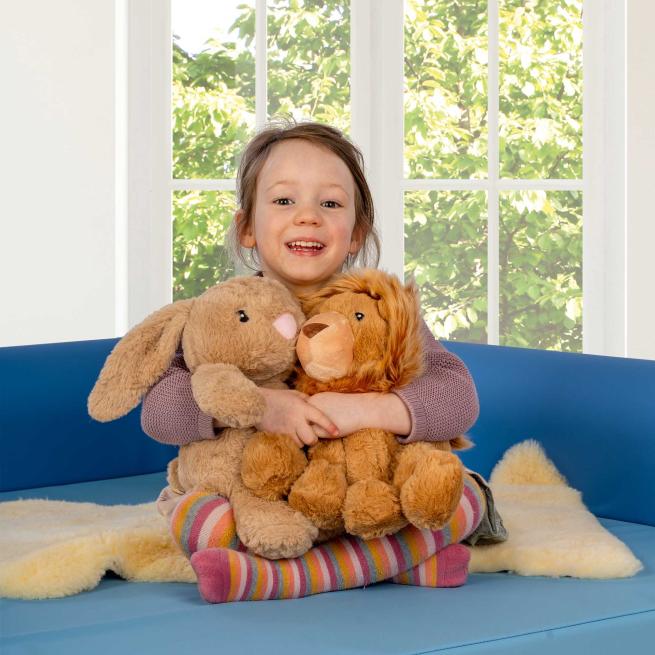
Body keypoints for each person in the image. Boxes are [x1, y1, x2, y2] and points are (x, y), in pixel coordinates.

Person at [145, 120, 506, 601]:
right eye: (283, 200)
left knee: (460, 496)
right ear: (247, 228)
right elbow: (160, 411)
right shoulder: (222, 316)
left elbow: (456, 397)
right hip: (263, 505)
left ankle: (286, 576)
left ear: (356, 234)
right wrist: (259, 406)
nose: (307, 217)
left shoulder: (379, 312)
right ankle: (393, 562)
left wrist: (363, 410)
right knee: (201, 517)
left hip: (362, 500)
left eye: (330, 204)